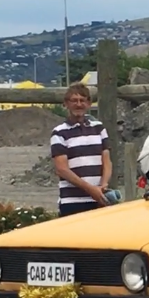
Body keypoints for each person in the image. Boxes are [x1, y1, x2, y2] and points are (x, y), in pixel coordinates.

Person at [50, 83, 112, 217]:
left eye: (82, 100)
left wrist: (103, 185)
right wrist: (91, 190)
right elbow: (62, 169)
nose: (79, 104)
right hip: (72, 202)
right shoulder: (59, 133)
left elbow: (106, 161)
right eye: (74, 101)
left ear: (89, 103)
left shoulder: (99, 128)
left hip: (99, 199)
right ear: (66, 104)